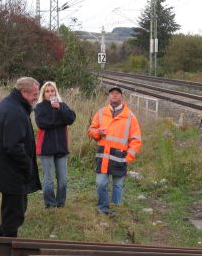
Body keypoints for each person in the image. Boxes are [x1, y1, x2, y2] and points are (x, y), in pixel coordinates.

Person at [0, 77, 41, 237]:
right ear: (23, 92)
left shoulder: (12, 104)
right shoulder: (15, 111)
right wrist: (27, 166)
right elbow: (13, 146)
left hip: (9, 171)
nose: (36, 98)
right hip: (12, 172)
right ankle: (7, 253)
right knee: (14, 215)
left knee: (13, 212)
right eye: (34, 94)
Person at [87, 86, 142, 215]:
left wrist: (128, 157)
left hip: (119, 159)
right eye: (112, 93)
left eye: (117, 93)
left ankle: (117, 210)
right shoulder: (101, 113)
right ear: (109, 96)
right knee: (101, 184)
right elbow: (91, 131)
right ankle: (103, 208)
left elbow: (136, 139)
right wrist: (97, 132)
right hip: (103, 157)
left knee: (117, 186)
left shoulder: (130, 116)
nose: (114, 95)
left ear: (122, 97)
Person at [34, 81, 76, 208]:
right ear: (43, 93)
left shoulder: (62, 106)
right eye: (47, 91)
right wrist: (60, 121)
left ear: (56, 92)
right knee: (48, 179)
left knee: (62, 178)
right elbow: (42, 124)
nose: (50, 93)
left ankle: (61, 203)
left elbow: (71, 119)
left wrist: (60, 109)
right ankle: (50, 204)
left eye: (52, 90)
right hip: (46, 147)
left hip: (61, 147)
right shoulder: (39, 107)